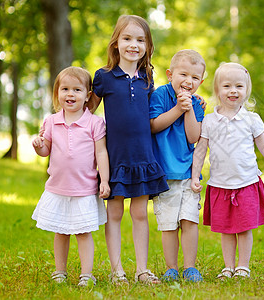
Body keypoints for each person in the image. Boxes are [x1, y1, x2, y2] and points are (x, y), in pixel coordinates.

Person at [190, 62, 264, 279]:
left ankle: (243, 266)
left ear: (246, 90)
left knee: (244, 228)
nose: (233, 91)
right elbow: (200, 150)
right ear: (217, 90)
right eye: (227, 86)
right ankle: (228, 266)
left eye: (239, 86)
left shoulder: (251, 119)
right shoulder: (209, 121)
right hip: (220, 184)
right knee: (226, 229)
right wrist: (194, 176)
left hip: (246, 183)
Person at [90, 15, 168, 285]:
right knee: (114, 213)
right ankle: (117, 270)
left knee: (139, 213)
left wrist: (191, 100)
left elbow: (156, 111)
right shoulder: (104, 78)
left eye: (140, 39)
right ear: (116, 43)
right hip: (115, 158)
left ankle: (142, 270)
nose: (133, 45)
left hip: (143, 156)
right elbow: (86, 112)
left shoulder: (148, 78)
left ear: (147, 45)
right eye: (127, 38)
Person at [32, 66, 110, 287]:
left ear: (87, 95)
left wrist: (104, 180)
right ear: (57, 93)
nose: (70, 94)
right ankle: (60, 271)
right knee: (61, 231)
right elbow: (45, 149)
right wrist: (38, 146)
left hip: (84, 188)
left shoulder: (95, 123)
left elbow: (101, 153)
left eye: (77, 90)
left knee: (83, 232)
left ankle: (87, 274)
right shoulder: (51, 121)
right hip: (58, 187)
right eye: (65, 89)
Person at [149, 49, 206, 282]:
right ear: (170, 74)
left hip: (188, 173)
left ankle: (190, 267)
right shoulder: (160, 95)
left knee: (189, 219)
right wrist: (177, 109)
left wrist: (190, 108)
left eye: (194, 78)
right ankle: (171, 267)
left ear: (201, 82)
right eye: (183, 74)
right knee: (169, 224)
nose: (188, 81)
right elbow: (153, 125)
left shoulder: (197, 104)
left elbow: (194, 137)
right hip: (164, 173)